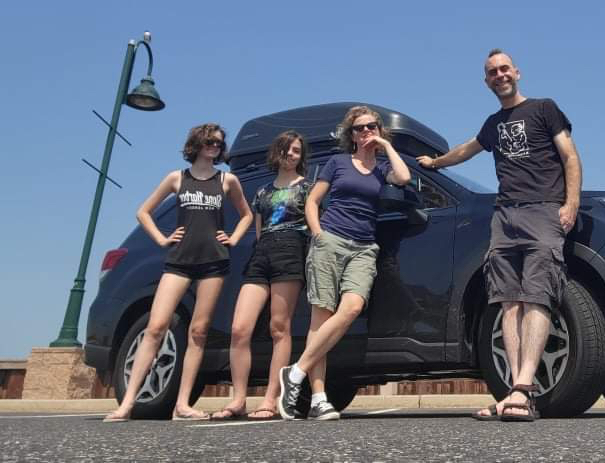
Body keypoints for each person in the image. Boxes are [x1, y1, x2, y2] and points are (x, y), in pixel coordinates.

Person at [417, 49, 583, 422]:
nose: (499, 75)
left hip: (543, 209)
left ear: (517, 72)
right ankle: (514, 390)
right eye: (492, 72)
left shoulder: (544, 108)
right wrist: (434, 163)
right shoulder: (493, 123)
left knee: (537, 294)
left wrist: (570, 203)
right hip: (504, 217)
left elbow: (570, 157)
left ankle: (523, 389)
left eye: (504, 68)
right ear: (486, 80)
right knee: (508, 300)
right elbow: (467, 150)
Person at [104, 123, 253, 422]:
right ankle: (127, 403)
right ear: (197, 143)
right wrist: (161, 239)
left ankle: (182, 404)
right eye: (210, 141)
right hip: (178, 262)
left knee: (198, 332)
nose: (214, 146)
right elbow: (143, 211)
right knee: (156, 328)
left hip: (214, 263)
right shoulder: (177, 178)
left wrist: (234, 238)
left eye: (219, 143)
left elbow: (247, 215)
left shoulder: (227, 180)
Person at [277, 106, 411, 421]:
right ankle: (319, 399)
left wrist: (387, 146)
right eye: (360, 129)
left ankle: (295, 372)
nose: (366, 132)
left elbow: (403, 177)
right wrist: (319, 234)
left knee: (350, 308)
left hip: (364, 247)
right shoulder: (337, 163)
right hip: (331, 241)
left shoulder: (381, 168)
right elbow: (312, 201)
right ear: (350, 135)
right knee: (320, 321)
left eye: (371, 127)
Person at [211, 131, 312, 421]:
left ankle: (271, 398)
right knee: (240, 328)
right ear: (277, 152)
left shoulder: (308, 188)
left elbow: (313, 223)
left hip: (291, 250)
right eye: (287, 149)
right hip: (261, 253)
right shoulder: (262, 192)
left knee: (279, 327)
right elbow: (258, 229)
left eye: (296, 150)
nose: (291, 154)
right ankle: (238, 399)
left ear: (301, 157)